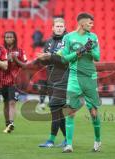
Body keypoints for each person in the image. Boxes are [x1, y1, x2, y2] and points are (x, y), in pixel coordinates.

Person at [58, 13, 101, 153]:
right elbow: (65, 59)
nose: (91, 25)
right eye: (89, 23)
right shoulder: (68, 37)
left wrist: (90, 49)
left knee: (93, 112)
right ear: (82, 23)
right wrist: (80, 51)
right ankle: (69, 144)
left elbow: (98, 57)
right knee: (70, 111)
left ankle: (97, 141)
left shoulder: (93, 37)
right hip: (74, 77)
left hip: (90, 77)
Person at [37, 17, 68, 148]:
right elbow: (45, 62)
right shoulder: (48, 42)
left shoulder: (68, 41)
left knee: (55, 108)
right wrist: (42, 58)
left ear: (64, 28)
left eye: (61, 26)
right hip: (51, 79)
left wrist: (50, 57)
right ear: (53, 28)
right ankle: (67, 139)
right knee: (58, 111)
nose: (59, 28)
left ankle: (51, 140)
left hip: (63, 79)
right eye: (57, 26)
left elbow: (66, 60)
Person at [2, 31, 28, 133]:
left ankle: (11, 123)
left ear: (14, 39)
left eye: (10, 37)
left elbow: (25, 65)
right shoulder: (1, 51)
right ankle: (7, 123)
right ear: (4, 39)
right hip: (2, 80)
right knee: (5, 103)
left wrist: (15, 59)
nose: (8, 39)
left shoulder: (20, 51)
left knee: (12, 102)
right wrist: (5, 59)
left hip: (15, 81)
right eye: (6, 37)